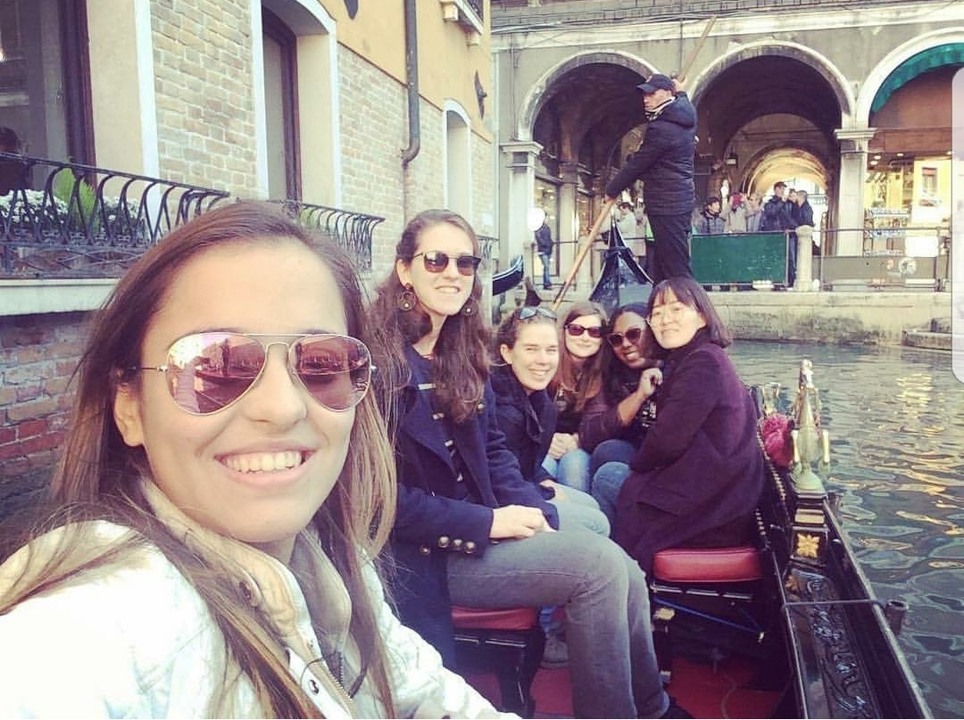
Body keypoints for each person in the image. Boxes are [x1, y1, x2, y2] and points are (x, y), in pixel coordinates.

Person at [0, 202, 507, 718]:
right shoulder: (89, 634)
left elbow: (430, 695)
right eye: (216, 365)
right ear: (128, 406)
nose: (282, 408)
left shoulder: (336, 563)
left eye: (321, 364)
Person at [368, 208, 690, 719]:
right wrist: (490, 520)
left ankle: (652, 706)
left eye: (466, 262)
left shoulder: (460, 353)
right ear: (405, 269)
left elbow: (493, 453)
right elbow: (376, 501)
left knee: (623, 566)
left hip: (482, 528)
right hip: (423, 554)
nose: (453, 272)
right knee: (600, 567)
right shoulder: (375, 362)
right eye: (436, 260)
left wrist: (528, 510)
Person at [592, 276, 765, 576]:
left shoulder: (702, 363)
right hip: (716, 490)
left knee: (608, 476)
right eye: (657, 313)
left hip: (710, 506)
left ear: (701, 314)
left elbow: (666, 442)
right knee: (611, 458)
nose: (664, 320)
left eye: (675, 309)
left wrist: (638, 467)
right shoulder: (697, 357)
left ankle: (615, 572)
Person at [492, 305, 609, 537]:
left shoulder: (540, 401)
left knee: (590, 506)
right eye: (532, 349)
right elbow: (499, 475)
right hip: (502, 506)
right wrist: (542, 500)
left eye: (551, 350)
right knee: (596, 522)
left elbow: (525, 465)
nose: (543, 360)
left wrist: (544, 480)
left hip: (522, 485)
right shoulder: (499, 403)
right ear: (506, 352)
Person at [605, 73, 697, 285]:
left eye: (651, 93)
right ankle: (661, 306)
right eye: (644, 94)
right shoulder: (685, 115)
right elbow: (682, 100)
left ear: (666, 93)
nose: (645, 98)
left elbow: (639, 163)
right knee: (665, 265)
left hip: (667, 203)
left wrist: (612, 190)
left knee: (676, 267)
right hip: (676, 200)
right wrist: (681, 91)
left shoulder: (661, 127)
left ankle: (693, 308)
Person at [544, 300, 608, 493]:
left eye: (595, 332)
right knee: (543, 465)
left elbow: (602, 420)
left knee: (575, 464)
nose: (585, 337)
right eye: (576, 329)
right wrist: (545, 439)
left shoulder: (606, 371)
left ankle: (581, 520)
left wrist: (577, 439)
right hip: (542, 442)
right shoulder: (546, 363)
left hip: (580, 444)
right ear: (563, 331)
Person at [759, 181, 797, 286]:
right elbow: (771, 213)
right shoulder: (769, 203)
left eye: (783, 189)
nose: (782, 191)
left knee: (790, 259)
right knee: (777, 259)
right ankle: (777, 282)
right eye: (780, 188)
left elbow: (792, 217)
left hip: (788, 235)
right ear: (775, 189)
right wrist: (781, 202)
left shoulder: (788, 203)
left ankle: (791, 281)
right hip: (776, 235)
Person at [534, 217, 553, 290]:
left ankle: (546, 283)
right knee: (546, 266)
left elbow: (548, 238)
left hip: (547, 250)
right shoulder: (539, 228)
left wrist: (551, 244)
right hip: (543, 250)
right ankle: (547, 283)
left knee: (546, 267)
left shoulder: (547, 228)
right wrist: (546, 244)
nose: (547, 220)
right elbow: (539, 238)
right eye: (546, 218)